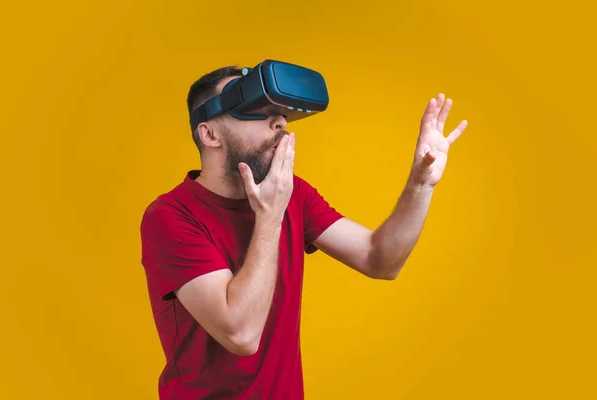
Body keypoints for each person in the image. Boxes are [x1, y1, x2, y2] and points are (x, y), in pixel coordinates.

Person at [140, 64, 468, 400]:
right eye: (255, 110)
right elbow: (240, 334)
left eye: (280, 113)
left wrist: (421, 184)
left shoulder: (293, 194)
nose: (280, 122)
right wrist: (269, 217)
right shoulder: (170, 217)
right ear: (210, 135)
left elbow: (380, 260)